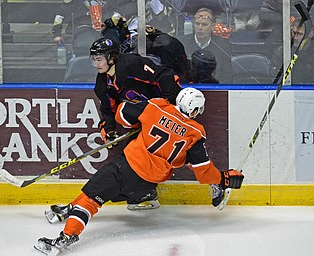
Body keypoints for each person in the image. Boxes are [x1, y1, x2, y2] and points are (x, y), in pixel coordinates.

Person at [35, 87, 244, 255]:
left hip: (125, 168)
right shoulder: (196, 133)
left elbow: (122, 115)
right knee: (99, 192)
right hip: (145, 183)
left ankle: (66, 237)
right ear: (196, 110)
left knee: (91, 200)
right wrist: (224, 178)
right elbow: (203, 172)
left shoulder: (157, 106)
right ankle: (137, 197)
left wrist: (140, 117)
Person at [44, 37, 183, 222]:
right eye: (93, 59)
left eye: (99, 59)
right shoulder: (103, 83)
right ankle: (143, 194)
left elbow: (164, 76)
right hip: (144, 119)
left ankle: (140, 193)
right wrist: (108, 130)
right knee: (131, 158)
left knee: (133, 160)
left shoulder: (130, 64)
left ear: (111, 58)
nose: (95, 64)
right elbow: (108, 110)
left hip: (164, 116)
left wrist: (169, 105)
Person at [177, 8, 233, 83]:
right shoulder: (182, 43)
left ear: (213, 27)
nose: (200, 28)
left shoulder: (222, 46)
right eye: (197, 24)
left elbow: (227, 77)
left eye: (204, 25)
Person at [270, 17, 314, 84]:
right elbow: (276, 80)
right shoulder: (282, 52)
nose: (295, 38)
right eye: (293, 33)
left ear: (311, 34)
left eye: (300, 34)